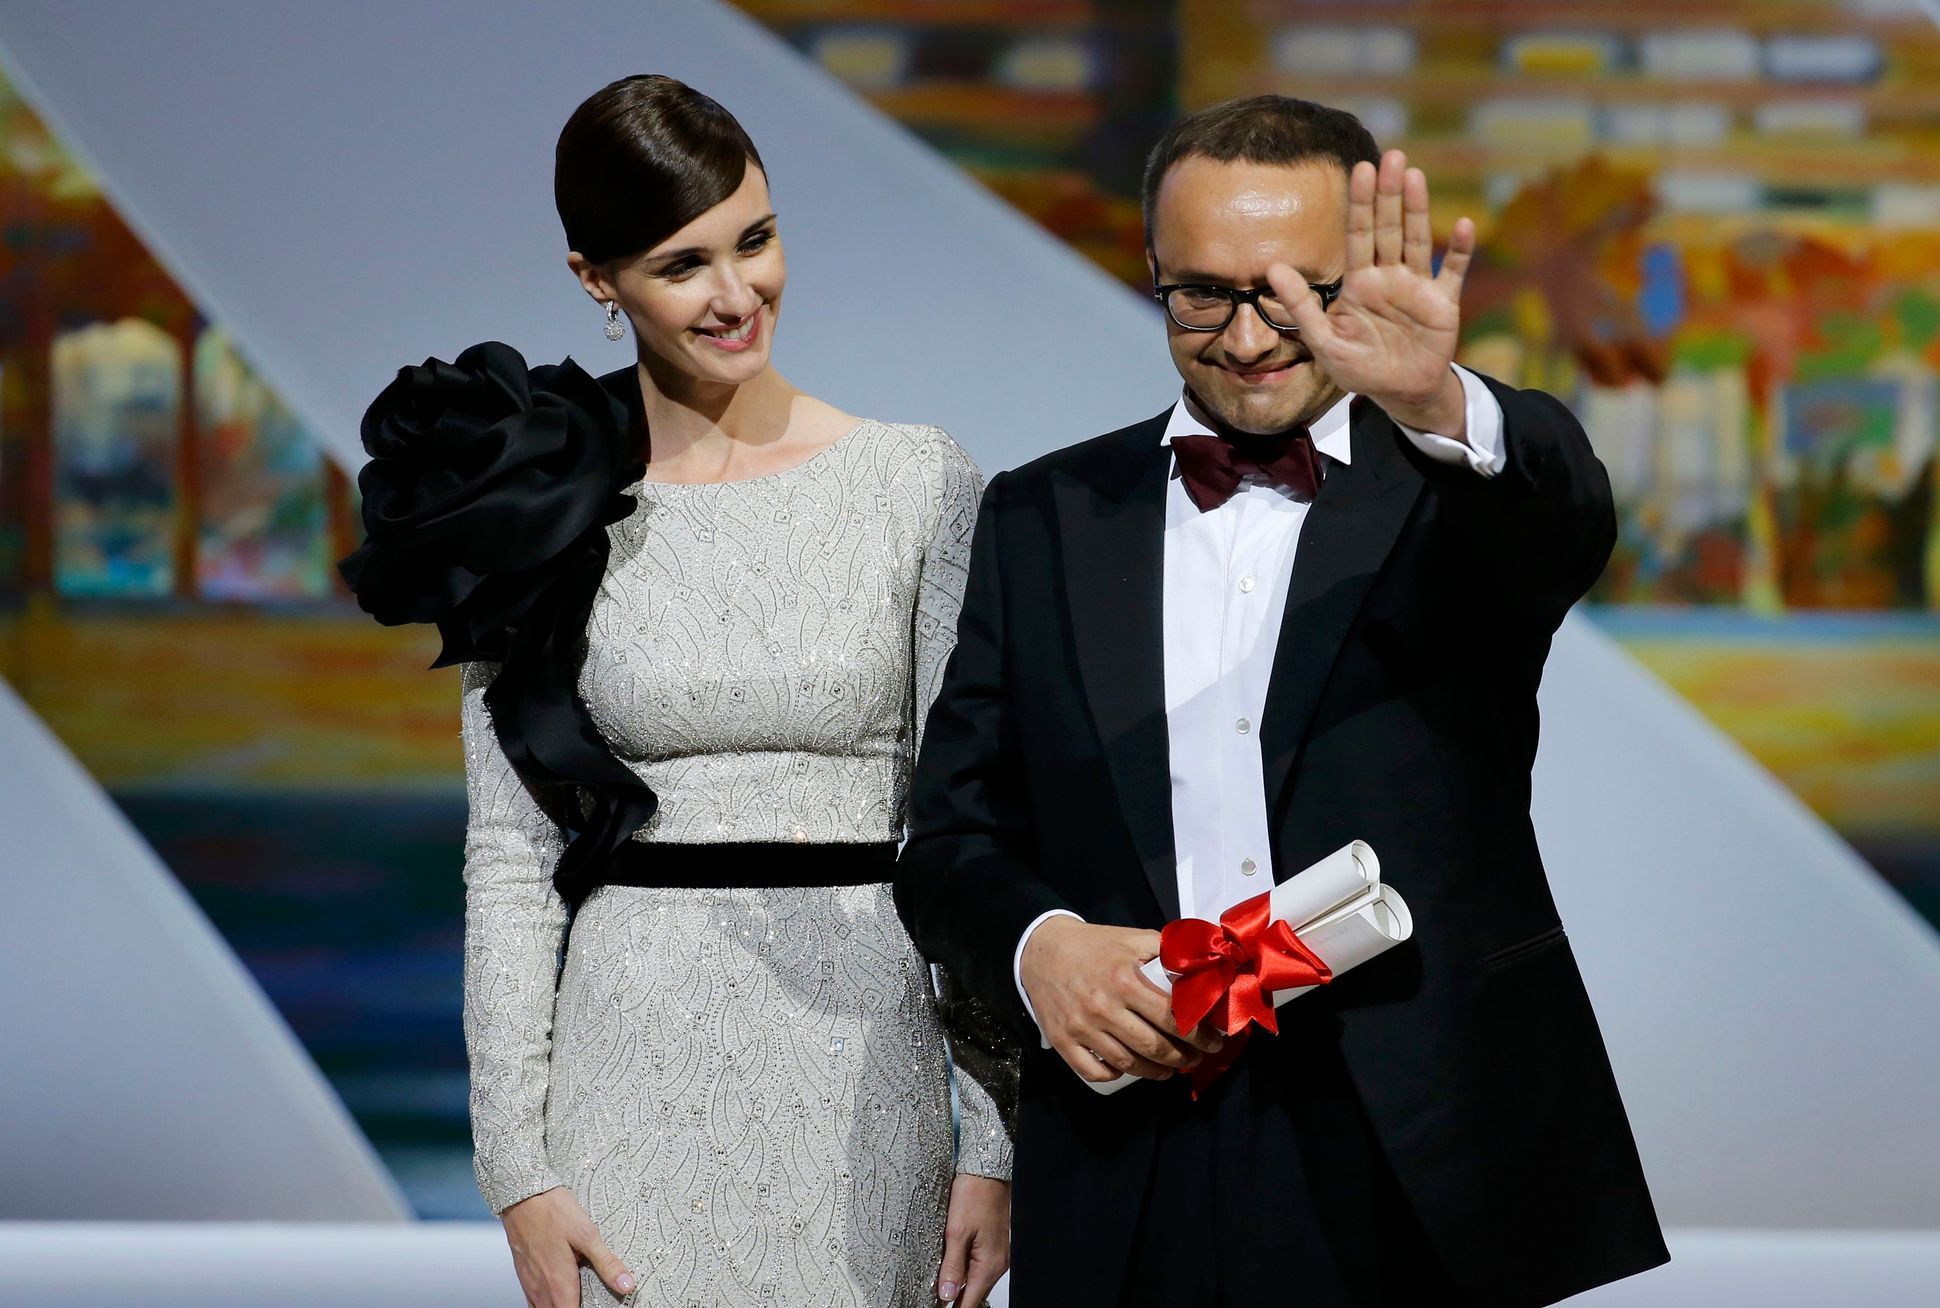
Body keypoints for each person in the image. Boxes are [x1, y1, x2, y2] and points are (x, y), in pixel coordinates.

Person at [894, 95, 1669, 1306]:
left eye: (1296, 294)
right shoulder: (1041, 513)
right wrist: (1040, 949)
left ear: (1362, 276)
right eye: (1201, 293)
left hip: (1406, 1132)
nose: (1249, 337)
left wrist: (1436, 401)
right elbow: (950, 839)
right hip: (1122, 1141)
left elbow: (1558, 516)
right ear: (1151, 274)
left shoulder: (1456, 490)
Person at [340, 75, 1013, 1308]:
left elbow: (965, 824)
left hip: (870, 1063)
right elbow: (507, 852)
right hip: (626, 1065)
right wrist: (518, 1172)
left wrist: (993, 1137)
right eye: (680, 263)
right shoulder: (537, 503)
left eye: (754, 240)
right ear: (596, 280)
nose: (735, 292)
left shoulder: (919, 484)